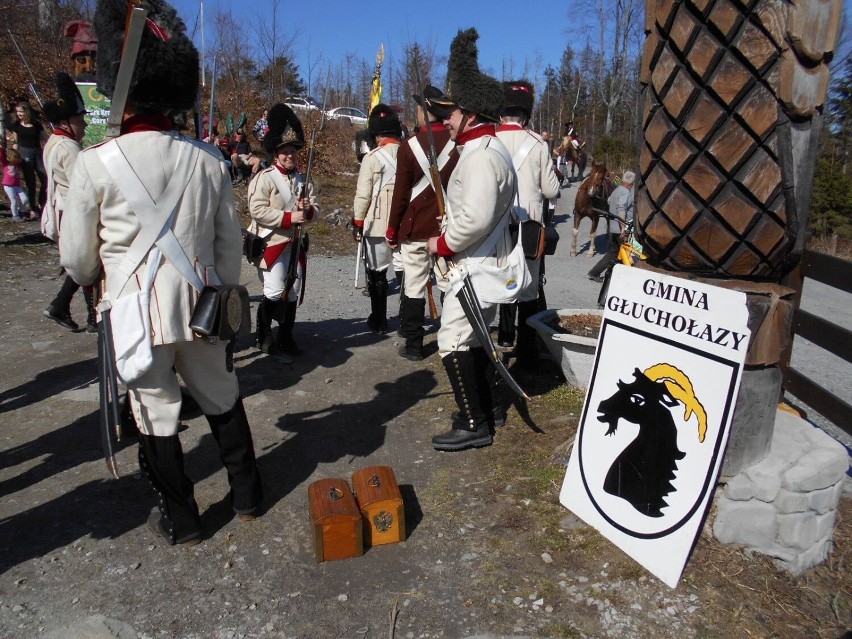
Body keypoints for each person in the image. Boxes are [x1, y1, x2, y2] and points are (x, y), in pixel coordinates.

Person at [61, 0, 262, 546]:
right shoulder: (209, 160)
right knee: (221, 395)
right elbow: (226, 250)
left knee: (156, 412)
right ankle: (248, 496)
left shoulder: (92, 163)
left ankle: (184, 519)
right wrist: (217, 296)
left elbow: (78, 261)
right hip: (200, 304)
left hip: (133, 312)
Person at [426, 28, 516, 452]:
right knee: (477, 336)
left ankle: (473, 421)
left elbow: (477, 218)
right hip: (483, 263)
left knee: (453, 339)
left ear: (472, 113)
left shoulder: (481, 157)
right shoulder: (487, 151)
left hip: (475, 264)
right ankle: (489, 407)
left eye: (453, 111)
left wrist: (442, 244)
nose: (447, 119)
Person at [386, 85, 458, 361]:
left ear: (424, 111)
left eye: (418, 109)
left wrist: (392, 229)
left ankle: (415, 346)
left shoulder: (408, 147)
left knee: (413, 286)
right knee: (447, 285)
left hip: (415, 229)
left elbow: (401, 194)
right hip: (445, 228)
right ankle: (450, 341)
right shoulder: (457, 145)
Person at [495, 80, 560, 367]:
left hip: (495, 222)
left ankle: (505, 338)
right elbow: (551, 190)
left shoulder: (490, 139)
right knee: (529, 287)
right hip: (529, 224)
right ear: (525, 115)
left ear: (500, 115)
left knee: (502, 279)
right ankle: (528, 348)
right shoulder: (537, 143)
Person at [247, 103, 317, 358]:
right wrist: (289, 217)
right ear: (276, 154)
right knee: (274, 290)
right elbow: (257, 210)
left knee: (292, 290)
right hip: (272, 241)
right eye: (285, 152)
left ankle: (286, 337)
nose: (290, 156)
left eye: (293, 152)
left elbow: (314, 210)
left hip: (295, 244)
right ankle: (263, 335)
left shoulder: (302, 179)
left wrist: (307, 211)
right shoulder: (264, 178)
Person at [41, 72, 98, 333]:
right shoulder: (69, 148)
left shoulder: (55, 142)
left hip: (62, 208)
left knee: (78, 262)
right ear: (66, 121)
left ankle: (61, 305)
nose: (84, 125)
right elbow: (84, 186)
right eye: (79, 120)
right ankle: (92, 317)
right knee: (87, 259)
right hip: (73, 210)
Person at [352, 104, 403, 334]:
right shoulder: (410, 154)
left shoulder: (371, 158)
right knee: (408, 274)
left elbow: (363, 195)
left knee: (377, 273)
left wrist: (358, 221)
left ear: (376, 135)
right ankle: (408, 323)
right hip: (405, 223)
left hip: (377, 223)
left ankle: (379, 320)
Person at [588, 170, 635, 283]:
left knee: (613, 253)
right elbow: (621, 208)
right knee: (628, 254)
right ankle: (626, 279)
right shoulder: (626, 193)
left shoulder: (616, 191)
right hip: (622, 230)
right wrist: (623, 228)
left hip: (612, 228)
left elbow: (609, 201)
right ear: (631, 183)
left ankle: (595, 272)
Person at [8, 101, 48, 210]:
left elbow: (46, 138)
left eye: (21, 111)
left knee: (45, 179)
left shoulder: (36, 125)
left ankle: (42, 202)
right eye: (17, 112)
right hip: (24, 153)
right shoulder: (16, 126)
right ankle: (33, 207)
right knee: (31, 183)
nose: (19, 114)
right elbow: (16, 142)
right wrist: (12, 158)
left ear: (27, 111)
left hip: (37, 153)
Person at [1, 146, 31, 220]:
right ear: (10, 157)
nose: (17, 159)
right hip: (8, 186)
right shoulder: (5, 164)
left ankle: (20, 210)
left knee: (25, 199)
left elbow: (23, 160)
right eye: (15, 158)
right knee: (13, 200)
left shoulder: (18, 165)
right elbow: (1, 156)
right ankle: (15, 215)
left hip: (17, 186)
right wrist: (1, 149)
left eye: (17, 158)